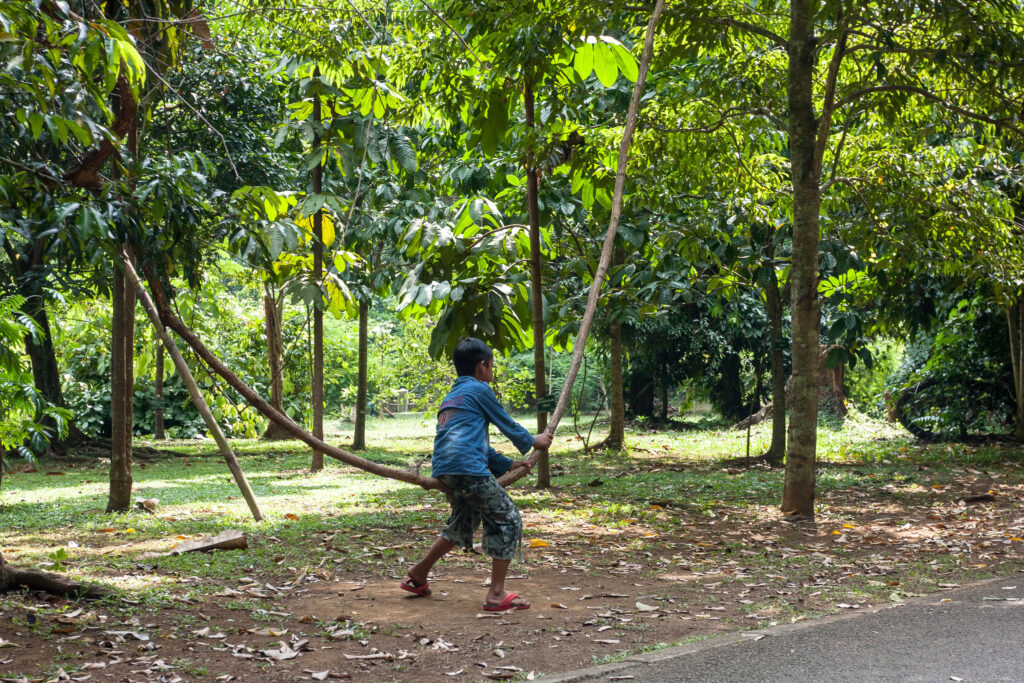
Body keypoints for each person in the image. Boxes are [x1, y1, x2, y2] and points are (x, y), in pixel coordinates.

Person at [401, 337, 553, 611]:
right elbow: (505, 422)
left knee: (464, 521)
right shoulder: (480, 389)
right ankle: (496, 594)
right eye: (491, 365)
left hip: (446, 469)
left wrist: (507, 463)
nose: (491, 370)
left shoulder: (452, 396)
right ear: (482, 366)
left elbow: (470, 442)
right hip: (468, 469)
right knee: (507, 519)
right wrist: (534, 440)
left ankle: (419, 572)